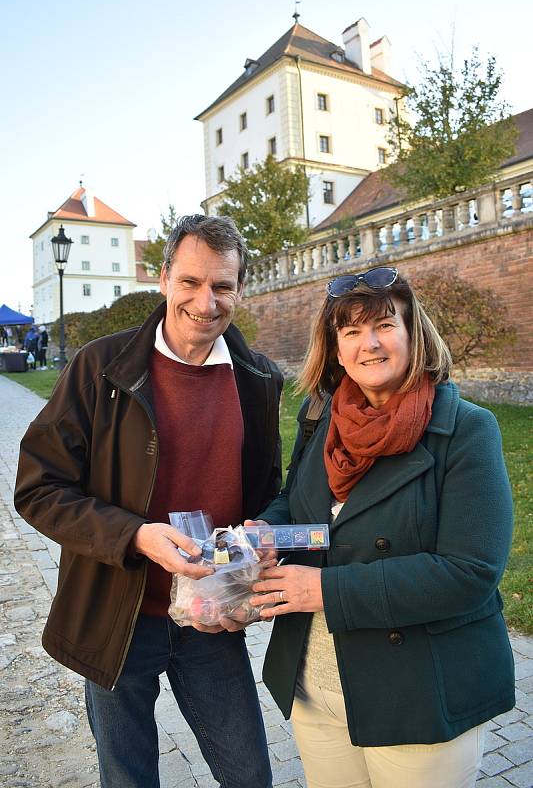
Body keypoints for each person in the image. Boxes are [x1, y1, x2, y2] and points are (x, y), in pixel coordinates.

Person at [15, 214, 283, 788]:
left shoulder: (257, 379)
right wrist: (136, 535)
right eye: (190, 282)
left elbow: (266, 497)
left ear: (240, 289)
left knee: (250, 774)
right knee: (128, 777)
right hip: (116, 611)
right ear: (163, 280)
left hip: (211, 617)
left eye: (222, 286)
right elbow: (38, 488)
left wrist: (256, 555)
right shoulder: (99, 368)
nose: (205, 302)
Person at [249, 267, 515, 788]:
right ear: (336, 349)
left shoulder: (465, 430)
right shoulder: (321, 415)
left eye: (384, 325)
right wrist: (268, 533)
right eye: (350, 332)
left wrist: (322, 589)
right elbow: (300, 507)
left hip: (415, 694)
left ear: (413, 332)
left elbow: (468, 572)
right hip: (316, 685)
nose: (369, 344)